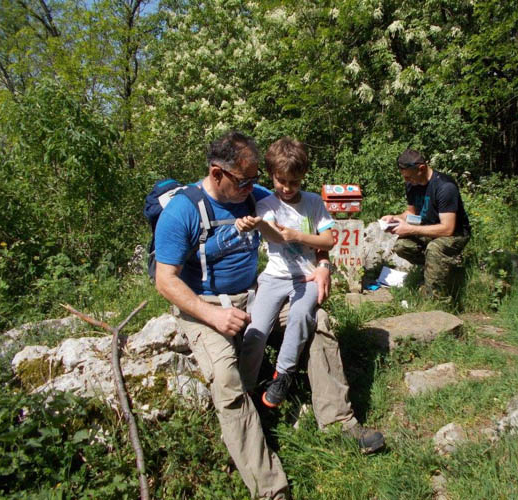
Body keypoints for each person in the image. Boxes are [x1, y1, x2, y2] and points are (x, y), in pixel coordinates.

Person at [154, 131, 384, 500]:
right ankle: (270, 489)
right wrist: (212, 316)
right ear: (217, 174)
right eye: (244, 180)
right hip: (205, 305)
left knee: (318, 324)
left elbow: (310, 228)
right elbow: (165, 280)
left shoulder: (255, 196)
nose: (254, 187)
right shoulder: (182, 211)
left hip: (257, 293)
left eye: (256, 178)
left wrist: (323, 266)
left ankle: (339, 422)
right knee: (226, 379)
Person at [236, 137, 335, 408]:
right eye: (281, 181)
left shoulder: (314, 203)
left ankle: (284, 373)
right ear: (271, 175)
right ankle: (245, 387)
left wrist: (298, 236)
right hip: (274, 277)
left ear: (303, 177)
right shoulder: (267, 205)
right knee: (256, 330)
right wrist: (258, 225)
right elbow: (273, 235)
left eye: (294, 182)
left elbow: (328, 241)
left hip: (308, 276)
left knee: (301, 314)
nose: (287, 188)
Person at [381, 149, 471, 299]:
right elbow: (411, 213)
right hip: (427, 229)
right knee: (402, 246)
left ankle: (436, 299)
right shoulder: (412, 185)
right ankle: (436, 268)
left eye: (408, 177)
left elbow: (447, 229)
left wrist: (410, 229)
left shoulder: (445, 187)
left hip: (456, 234)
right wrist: (395, 218)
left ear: (421, 169)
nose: (406, 180)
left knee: (434, 249)